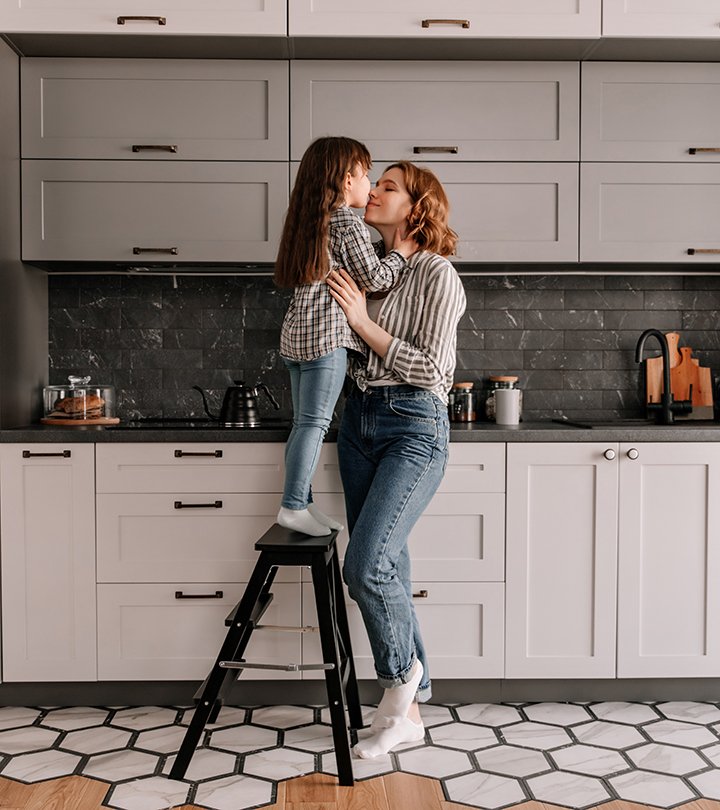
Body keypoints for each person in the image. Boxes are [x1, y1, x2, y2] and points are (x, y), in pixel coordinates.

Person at [327, 161, 466, 759]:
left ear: (416, 207)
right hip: (357, 422)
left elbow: (432, 370)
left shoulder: (438, 274)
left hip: (413, 424)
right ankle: (410, 711)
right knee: (392, 569)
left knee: (365, 565)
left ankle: (398, 683)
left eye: (387, 187)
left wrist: (360, 320)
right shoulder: (377, 273)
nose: (373, 193)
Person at [274, 137, 418, 537]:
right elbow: (374, 278)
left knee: (303, 424)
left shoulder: (311, 219)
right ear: (345, 178)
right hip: (326, 340)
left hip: (297, 337)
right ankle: (291, 506)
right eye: (366, 173)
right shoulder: (344, 220)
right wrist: (402, 253)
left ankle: (301, 502)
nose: (370, 185)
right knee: (314, 425)